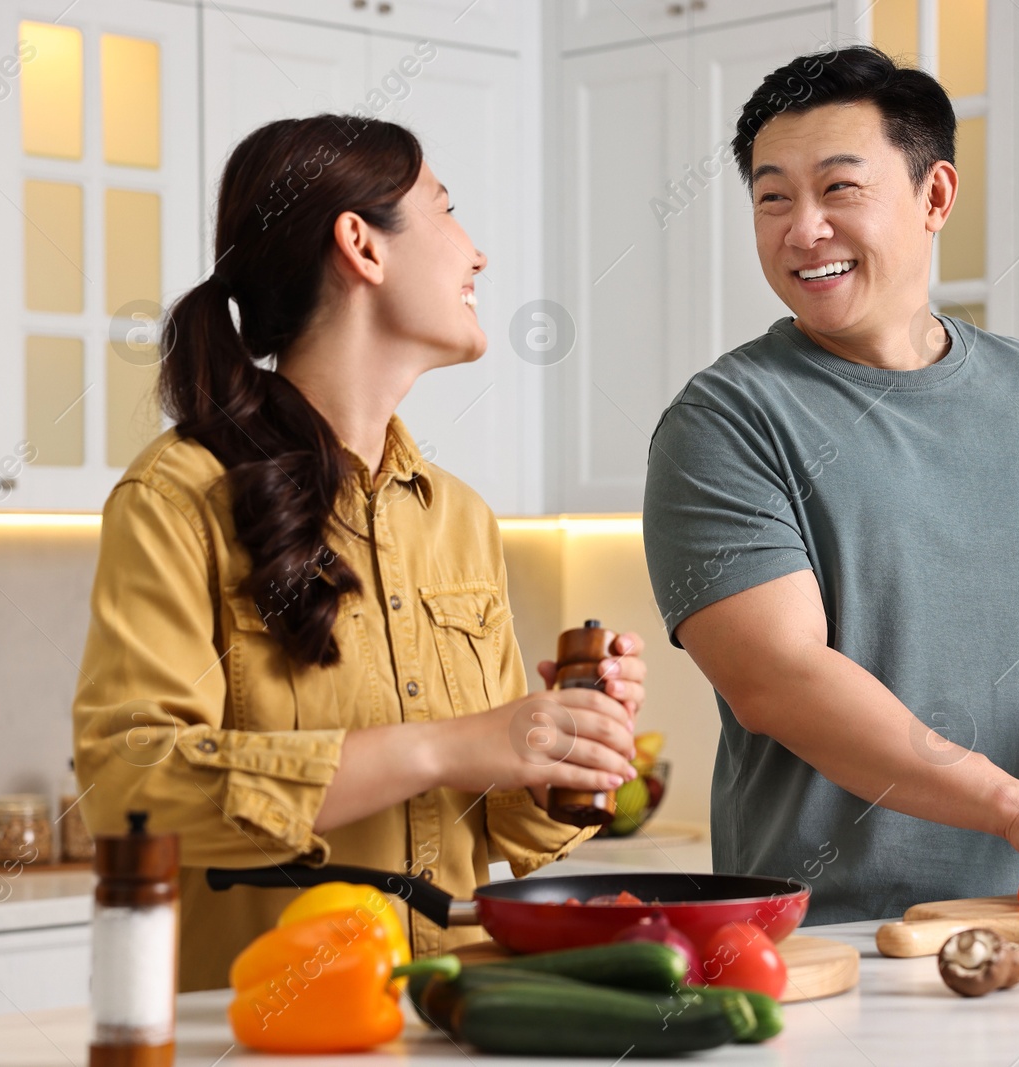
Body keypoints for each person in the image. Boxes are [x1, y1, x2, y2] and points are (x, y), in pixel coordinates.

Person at [72, 115, 647, 990]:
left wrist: (555, 746)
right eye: (446, 209)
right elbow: (131, 787)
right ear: (361, 246)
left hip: (442, 1017)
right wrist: (447, 745)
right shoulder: (179, 494)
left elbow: (501, 830)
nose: (477, 253)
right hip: (266, 1030)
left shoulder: (459, 516)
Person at [642, 47, 1019, 924]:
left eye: (839, 190)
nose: (802, 229)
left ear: (935, 196)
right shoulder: (724, 420)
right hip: (827, 937)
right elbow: (780, 679)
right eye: (772, 197)